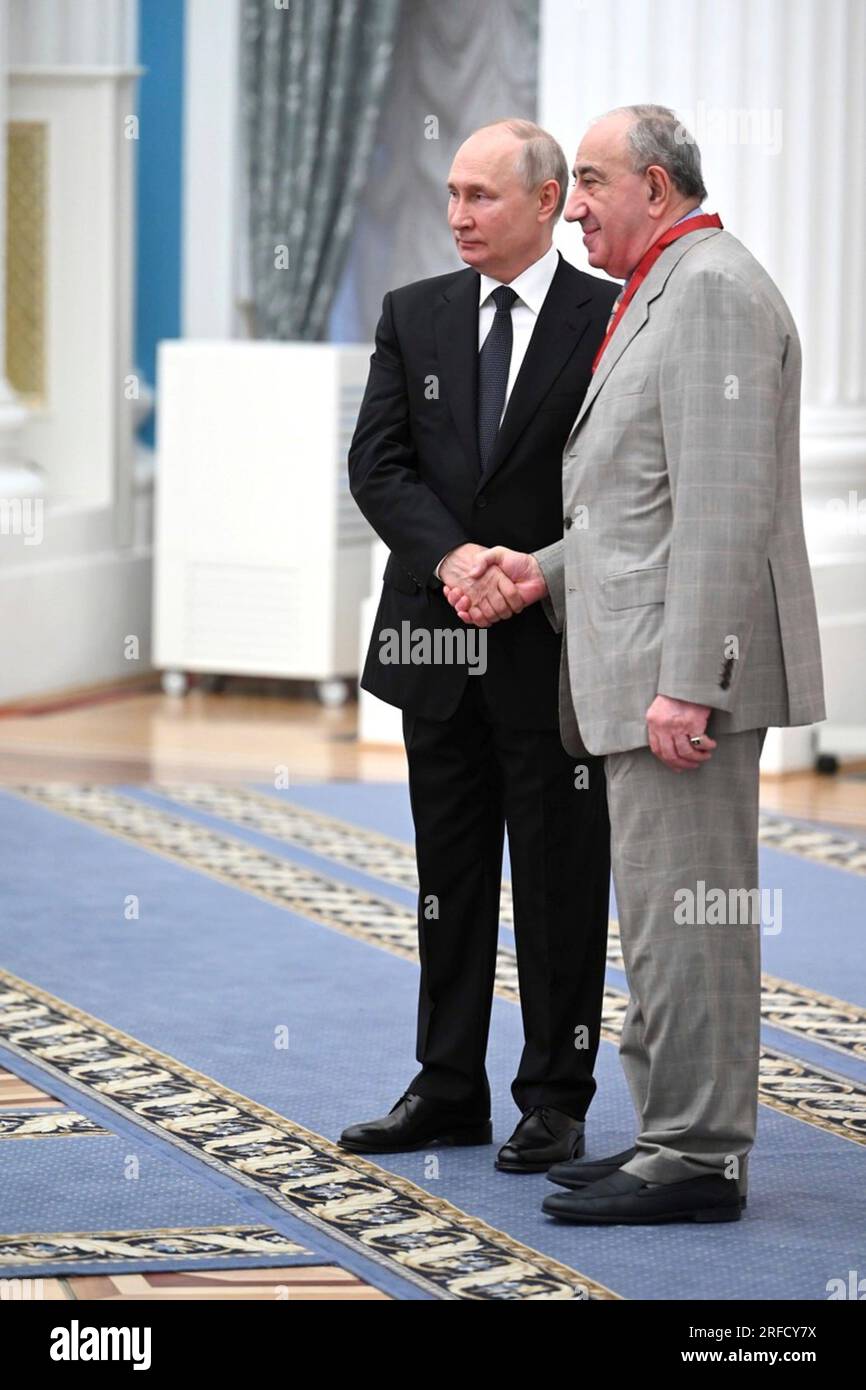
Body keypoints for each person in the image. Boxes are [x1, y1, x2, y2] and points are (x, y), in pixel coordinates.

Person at [446, 105, 825, 1222]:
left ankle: (700, 1154)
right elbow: (637, 507)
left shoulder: (705, 292)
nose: (572, 204)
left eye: (591, 182)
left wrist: (690, 681)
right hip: (637, 664)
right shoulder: (663, 286)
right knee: (659, 914)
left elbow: (719, 510)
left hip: (677, 682)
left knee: (690, 915)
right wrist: (541, 569)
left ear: (654, 188)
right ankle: (670, 1130)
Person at [343, 119, 619, 1172]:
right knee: (444, 877)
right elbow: (378, 466)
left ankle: (555, 1095)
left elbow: (617, 486)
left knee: (558, 880)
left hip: (552, 643)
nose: (457, 215)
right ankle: (445, 1085)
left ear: (546, 201)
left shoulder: (609, 317)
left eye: (481, 197)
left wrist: (524, 569)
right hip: (434, 641)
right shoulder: (412, 314)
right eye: (451, 194)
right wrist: (456, 559)